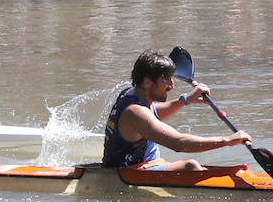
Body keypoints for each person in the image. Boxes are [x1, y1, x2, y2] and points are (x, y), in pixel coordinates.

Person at [101, 50, 251, 171]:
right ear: (147, 82)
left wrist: (185, 101)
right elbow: (178, 143)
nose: (172, 85)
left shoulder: (132, 93)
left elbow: (153, 114)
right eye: (166, 80)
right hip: (130, 173)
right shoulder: (135, 113)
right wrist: (227, 141)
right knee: (190, 167)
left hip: (144, 165)